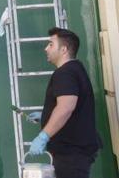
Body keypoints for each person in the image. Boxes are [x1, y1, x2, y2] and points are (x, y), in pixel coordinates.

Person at [27, 28, 100, 178]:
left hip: (71, 154)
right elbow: (74, 108)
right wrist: (45, 116)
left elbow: (66, 107)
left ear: (64, 49)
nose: (46, 48)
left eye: (50, 44)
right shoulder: (75, 69)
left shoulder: (65, 73)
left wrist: (43, 136)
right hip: (75, 153)